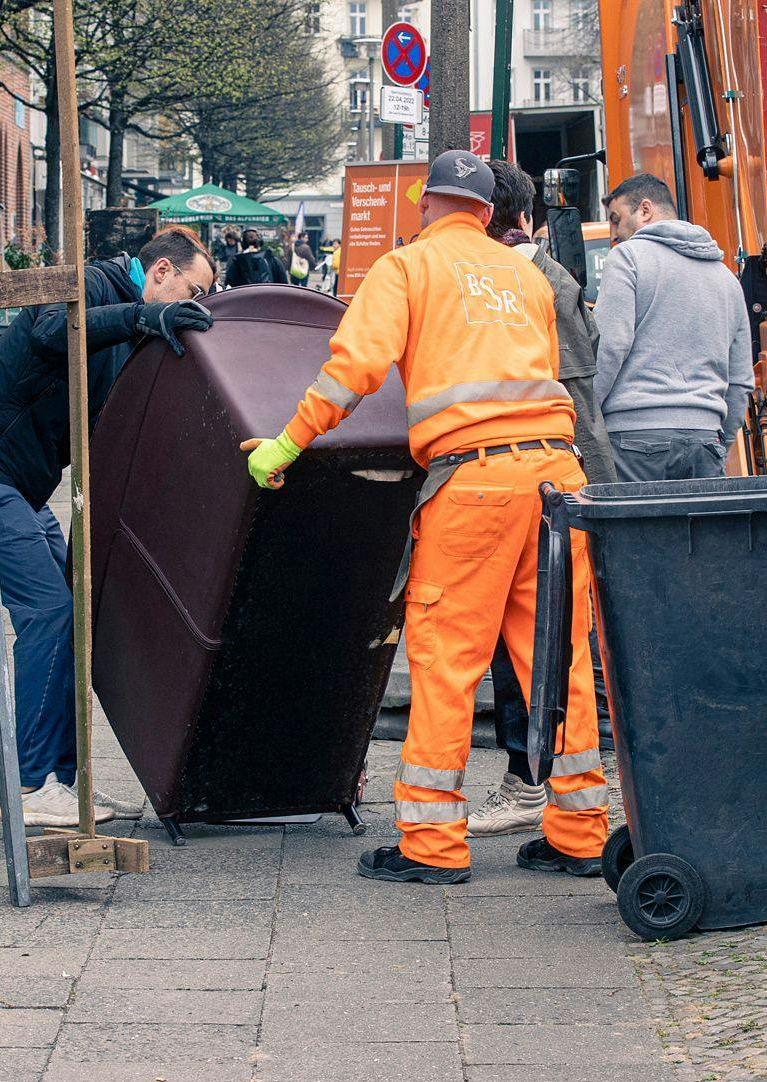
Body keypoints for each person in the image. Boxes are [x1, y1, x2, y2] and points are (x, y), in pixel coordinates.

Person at [242, 149, 609, 885]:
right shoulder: (526, 276)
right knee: (559, 657)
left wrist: (284, 444)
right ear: (487, 211)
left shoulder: (406, 269)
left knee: (446, 659)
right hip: (557, 479)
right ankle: (579, 831)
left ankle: (433, 844)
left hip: (474, 484)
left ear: (426, 204)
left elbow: (353, 370)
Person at [0, 227, 215, 828]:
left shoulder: (136, 324)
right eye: (194, 290)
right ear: (160, 271)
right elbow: (53, 329)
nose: (197, 306)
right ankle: (33, 787)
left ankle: (64, 783)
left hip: (19, 487)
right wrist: (138, 317)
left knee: (76, 613)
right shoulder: (90, 282)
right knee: (48, 611)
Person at [469, 157, 618, 838]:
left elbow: (576, 396)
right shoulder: (545, 277)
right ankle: (548, 789)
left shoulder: (525, 282)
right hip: (552, 483)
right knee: (544, 644)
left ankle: (531, 783)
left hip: (539, 489)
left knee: (534, 646)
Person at [595, 173, 753, 481]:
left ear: (644, 210)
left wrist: (589, 422)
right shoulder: (726, 279)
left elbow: (611, 347)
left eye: (616, 219)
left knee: (637, 530)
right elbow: (741, 380)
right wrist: (719, 440)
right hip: (706, 439)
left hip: (633, 439)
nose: (614, 233)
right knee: (701, 531)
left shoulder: (627, 258)